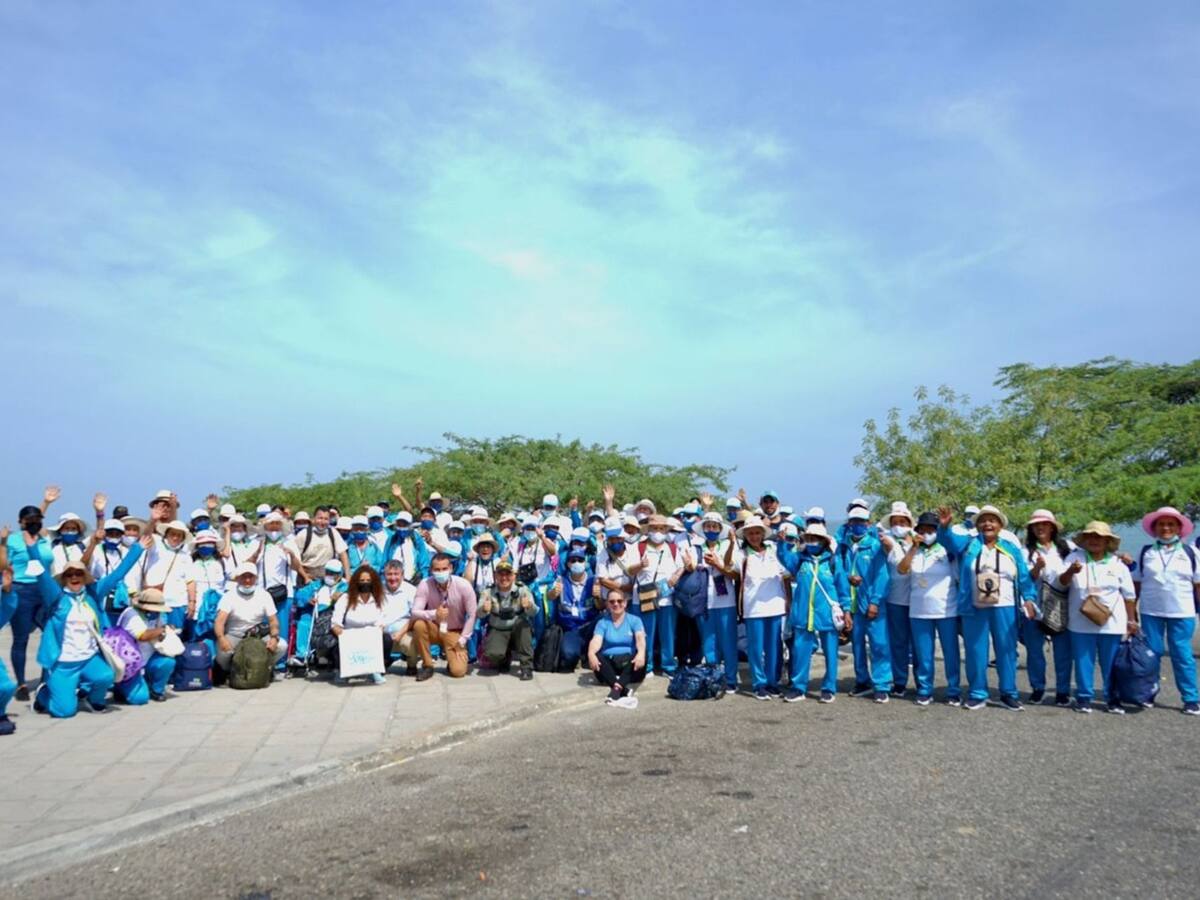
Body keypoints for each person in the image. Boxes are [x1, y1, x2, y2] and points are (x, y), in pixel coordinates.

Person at [28, 533, 150, 718]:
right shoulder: (56, 598)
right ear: (64, 578)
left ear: (85, 577)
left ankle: (94, 700)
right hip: (64, 663)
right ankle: (44, 694)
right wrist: (32, 549)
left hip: (89, 658)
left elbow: (118, 574)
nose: (74, 577)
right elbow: (42, 576)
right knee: (65, 712)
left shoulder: (93, 594)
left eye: (79, 574)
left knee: (106, 676)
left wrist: (138, 549)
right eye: (70, 574)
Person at [938, 504, 1038, 711]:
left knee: (1007, 649)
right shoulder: (968, 544)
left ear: (1000, 525)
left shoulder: (1011, 548)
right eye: (983, 521)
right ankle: (977, 693)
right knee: (975, 650)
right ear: (977, 525)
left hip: (1005, 604)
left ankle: (1008, 693)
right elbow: (947, 541)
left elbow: (1023, 575)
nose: (987, 524)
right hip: (974, 605)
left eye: (992, 520)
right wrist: (945, 527)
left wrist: (1028, 598)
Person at [1060, 521, 1138, 714]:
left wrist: (1131, 620)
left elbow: (1129, 596)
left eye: (1099, 537)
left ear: (1107, 541)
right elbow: (1061, 583)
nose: (1094, 540)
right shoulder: (1074, 558)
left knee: (1110, 663)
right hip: (1080, 622)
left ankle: (1112, 698)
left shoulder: (1117, 563)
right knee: (1083, 662)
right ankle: (1084, 698)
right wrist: (1071, 571)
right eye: (1090, 536)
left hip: (1112, 623)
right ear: (1084, 540)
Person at [1132, 507, 1200, 715]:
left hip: (1182, 611)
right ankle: (1148, 693)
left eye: (1171, 524)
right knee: (1151, 655)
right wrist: (1131, 612)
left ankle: (1191, 698)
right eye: (1161, 524)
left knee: (1182, 655)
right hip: (1151, 611)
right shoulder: (1146, 552)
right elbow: (1136, 583)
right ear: (1154, 528)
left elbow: (1198, 585)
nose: (1166, 528)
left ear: (1179, 528)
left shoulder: (1191, 552)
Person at [779, 523, 848, 703]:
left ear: (824, 541)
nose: (811, 542)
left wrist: (847, 610)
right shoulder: (799, 559)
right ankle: (798, 687)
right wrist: (782, 544)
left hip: (827, 613)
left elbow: (842, 587)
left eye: (815, 539)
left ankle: (829, 688)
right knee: (801, 651)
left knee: (830, 652)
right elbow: (784, 558)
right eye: (808, 538)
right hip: (803, 613)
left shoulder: (833, 561)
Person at [899, 512, 961, 706]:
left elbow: (959, 571)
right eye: (923, 530)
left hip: (946, 609)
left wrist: (945, 528)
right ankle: (925, 689)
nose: (926, 534)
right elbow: (902, 569)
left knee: (950, 653)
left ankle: (953, 690)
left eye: (931, 530)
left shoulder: (946, 550)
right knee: (924, 654)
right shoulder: (913, 550)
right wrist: (913, 548)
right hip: (919, 610)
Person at [836, 504, 892, 703]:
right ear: (849, 523)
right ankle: (862, 681)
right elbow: (839, 574)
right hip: (852, 605)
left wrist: (875, 602)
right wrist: (845, 606)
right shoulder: (843, 547)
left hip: (872, 604)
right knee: (857, 646)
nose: (857, 525)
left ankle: (882, 684)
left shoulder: (875, 545)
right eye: (854, 521)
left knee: (879, 645)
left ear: (868, 523)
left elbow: (882, 576)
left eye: (861, 521)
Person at [1022, 509, 1074, 706]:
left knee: (1063, 652)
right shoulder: (1025, 551)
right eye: (1036, 525)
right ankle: (1038, 688)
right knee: (1035, 651)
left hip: (1062, 605)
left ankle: (1063, 690)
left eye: (1044, 524)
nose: (1040, 527)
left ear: (1052, 527)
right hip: (1035, 606)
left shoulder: (1067, 548)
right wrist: (1037, 567)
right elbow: (1025, 579)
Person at [734, 515, 789, 700]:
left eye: (757, 533)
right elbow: (730, 568)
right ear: (745, 535)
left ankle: (773, 682)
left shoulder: (774, 550)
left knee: (774, 647)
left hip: (775, 605)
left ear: (763, 534)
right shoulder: (741, 554)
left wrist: (788, 600)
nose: (754, 536)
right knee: (756, 648)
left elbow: (786, 573)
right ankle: (759, 684)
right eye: (750, 533)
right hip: (753, 608)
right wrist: (732, 543)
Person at [6, 498, 55, 700]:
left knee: (50, 633)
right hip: (22, 589)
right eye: (30, 520)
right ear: (21, 522)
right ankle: (21, 684)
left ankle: (45, 677)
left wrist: (46, 503)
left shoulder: (44, 540)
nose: (34, 522)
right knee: (21, 638)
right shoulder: (13, 540)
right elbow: (4, 563)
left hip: (43, 590)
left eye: (38, 519)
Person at [685, 512, 739, 693]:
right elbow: (690, 568)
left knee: (728, 642)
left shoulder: (728, 546)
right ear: (703, 528)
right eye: (708, 526)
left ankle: (731, 679)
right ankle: (713, 678)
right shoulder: (696, 548)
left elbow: (734, 574)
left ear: (720, 529)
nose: (711, 529)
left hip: (726, 602)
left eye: (715, 526)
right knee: (708, 642)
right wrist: (688, 566)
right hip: (703, 602)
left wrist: (718, 564)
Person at [410, 552, 477, 680]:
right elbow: (415, 611)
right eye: (437, 569)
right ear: (431, 570)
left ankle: (451, 660)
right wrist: (434, 614)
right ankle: (427, 665)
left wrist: (462, 640)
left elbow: (472, 615)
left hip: (454, 631)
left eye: (444, 568)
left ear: (451, 568)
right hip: (435, 627)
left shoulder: (463, 585)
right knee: (419, 625)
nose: (441, 572)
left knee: (458, 672)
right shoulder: (425, 584)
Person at [251, 512, 304, 671]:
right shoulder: (256, 543)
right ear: (265, 526)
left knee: (281, 629)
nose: (274, 527)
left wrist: (292, 555)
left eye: (277, 524)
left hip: (283, 594)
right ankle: (262, 661)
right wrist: (257, 552)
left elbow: (297, 567)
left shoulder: (289, 542)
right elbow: (247, 565)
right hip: (261, 593)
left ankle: (280, 663)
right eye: (271, 524)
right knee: (262, 628)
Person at [213, 562, 286, 677]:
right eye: (244, 577)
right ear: (238, 578)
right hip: (235, 635)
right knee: (223, 653)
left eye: (250, 577)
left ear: (256, 578)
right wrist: (222, 639)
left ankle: (263, 669)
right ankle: (229, 671)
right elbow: (219, 621)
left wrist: (274, 637)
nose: (247, 580)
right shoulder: (229, 596)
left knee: (282, 646)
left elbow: (273, 621)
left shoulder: (264, 595)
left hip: (257, 635)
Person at [635, 515, 683, 678]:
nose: (658, 532)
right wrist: (639, 565)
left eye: (662, 529)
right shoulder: (639, 547)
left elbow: (681, 566)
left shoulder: (673, 548)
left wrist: (676, 576)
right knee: (646, 633)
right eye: (655, 528)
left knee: (668, 634)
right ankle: (647, 666)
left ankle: (668, 665)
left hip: (667, 598)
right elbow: (629, 570)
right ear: (648, 530)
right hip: (645, 597)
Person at [878, 501, 917, 696]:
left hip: (919, 600)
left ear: (909, 523)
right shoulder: (888, 540)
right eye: (895, 522)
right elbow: (901, 566)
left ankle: (922, 684)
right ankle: (900, 681)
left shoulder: (919, 541)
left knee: (919, 645)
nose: (898, 526)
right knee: (899, 643)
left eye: (902, 522)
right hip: (895, 598)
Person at [113, 587, 177, 704]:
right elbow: (143, 635)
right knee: (140, 698)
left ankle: (156, 690)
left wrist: (166, 631)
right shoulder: (131, 614)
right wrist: (162, 630)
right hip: (130, 662)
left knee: (168, 662)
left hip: (149, 657)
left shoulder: (157, 615)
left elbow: (160, 632)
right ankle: (120, 688)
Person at [330, 565, 392, 685]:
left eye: (368, 580)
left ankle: (376, 669)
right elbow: (335, 623)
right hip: (349, 637)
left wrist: (370, 635)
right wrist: (343, 635)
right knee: (336, 643)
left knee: (387, 639)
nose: (365, 583)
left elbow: (382, 622)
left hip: (371, 638)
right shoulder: (345, 599)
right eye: (362, 580)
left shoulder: (380, 599)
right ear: (356, 582)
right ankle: (341, 669)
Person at [587, 589, 647, 708]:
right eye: (612, 601)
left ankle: (616, 688)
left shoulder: (635, 620)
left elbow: (640, 639)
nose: (616, 604)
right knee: (596, 654)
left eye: (619, 601)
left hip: (630, 666)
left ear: (625, 603)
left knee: (643, 652)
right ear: (607, 604)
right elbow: (596, 640)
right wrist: (590, 654)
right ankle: (621, 688)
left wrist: (641, 653)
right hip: (609, 665)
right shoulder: (602, 623)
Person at [478, 560, 536, 679]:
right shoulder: (488, 592)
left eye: (508, 574)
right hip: (498, 628)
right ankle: (504, 658)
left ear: (514, 576)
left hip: (517, 628)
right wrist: (484, 609)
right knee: (492, 654)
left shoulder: (522, 590)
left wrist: (529, 606)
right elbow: (479, 614)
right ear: (495, 576)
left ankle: (526, 667)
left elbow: (534, 612)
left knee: (524, 626)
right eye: (500, 574)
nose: (504, 578)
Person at [548, 549, 602, 670]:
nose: (577, 563)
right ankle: (579, 654)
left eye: (580, 560)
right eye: (573, 560)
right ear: (568, 564)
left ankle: (588, 655)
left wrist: (598, 597)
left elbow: (600, 607)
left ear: (585, 563)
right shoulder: (560, 581)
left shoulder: (593, 581)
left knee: (603, 618)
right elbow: (549, 596)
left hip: (590, 627)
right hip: (571, 629)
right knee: (568, 655)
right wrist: (553, 593)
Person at [141, 519, 196, 629]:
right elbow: (145, 536)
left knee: (175, 635)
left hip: (177, 604)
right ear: (166, 534)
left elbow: (190, 581)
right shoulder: (156, 546)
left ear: (183, 538)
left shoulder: (186, 556)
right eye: (173, 534)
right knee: (152, 633)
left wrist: (192, 602)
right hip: (154, 601)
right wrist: (153, 519)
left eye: (179, 535)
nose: (175, 538)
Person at [292, 560, 347, 661]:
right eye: (328, 572)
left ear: (340, 574)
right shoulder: (317, 585)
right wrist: (308, 600)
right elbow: (300, 594)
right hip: (316, 614)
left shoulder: (345, 586)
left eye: (333, 573)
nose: (330, 575)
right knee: (304, 622)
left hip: (335, 615)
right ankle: (303, 655)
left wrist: (341, 595)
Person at [84, 518, 141, 614]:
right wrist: (93, 543)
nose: (114, 537)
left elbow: (131, 577)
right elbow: (84, 566)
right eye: (110, 534)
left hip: (120, 598)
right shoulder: (95, 550)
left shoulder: (126, 552)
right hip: (99, 597)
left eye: (117, 534)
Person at [379, 560, 418, 675]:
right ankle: (382, 663)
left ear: (402, 575)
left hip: (404, 631)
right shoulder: (378, 589)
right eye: (389, 574)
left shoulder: (411, 590)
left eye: (396, 574)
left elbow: (415, 616)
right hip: (381, 631)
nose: (393, 578)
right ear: (384, 575)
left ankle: (412, 664)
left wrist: (401, 633)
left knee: (407, 643)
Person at [297, 507, 350, 582]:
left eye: (326, 519)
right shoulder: (303, 535)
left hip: (328, 577)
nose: (323, 522)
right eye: (320, 518)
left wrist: (348, 577)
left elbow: (343, 554)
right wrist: (305, 577)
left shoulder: (333, 533)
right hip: (307, 577)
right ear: (313, 519)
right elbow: (295, 559)